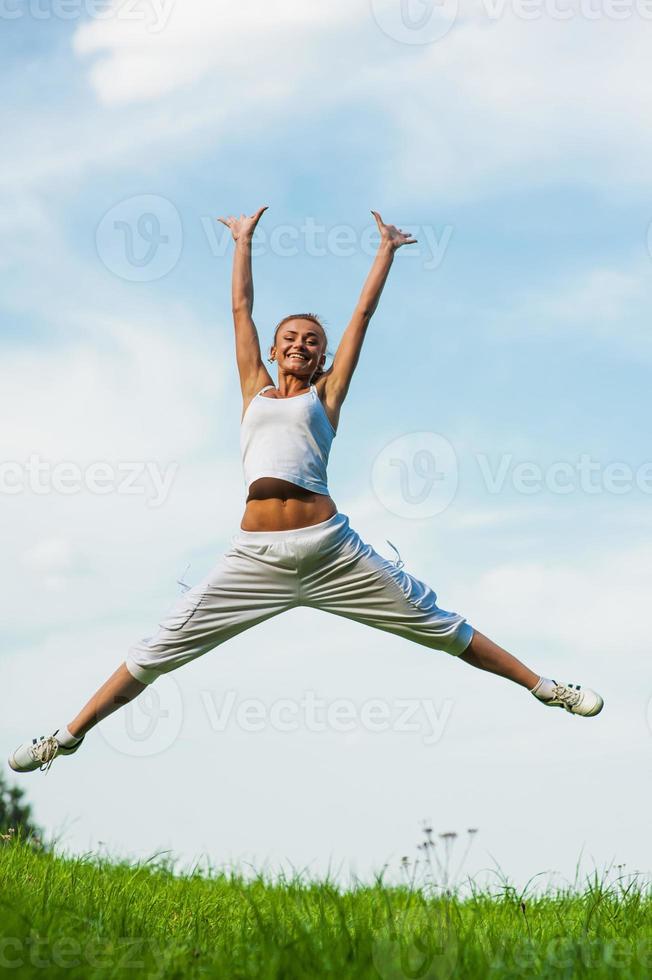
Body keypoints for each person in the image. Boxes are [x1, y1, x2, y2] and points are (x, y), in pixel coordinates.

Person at [9, 207, 603, 774]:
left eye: (312, 340)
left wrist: (386, 252)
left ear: (321, 357)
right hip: (254, 560)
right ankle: (66, 737)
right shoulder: (255, 390)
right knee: (157, 649)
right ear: (272, 349)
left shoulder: (326, 398)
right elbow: (241, 309)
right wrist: (242, 240)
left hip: (329, 552)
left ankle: (546, 688)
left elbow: (362, 317)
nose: (301, 343)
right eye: (290, 337)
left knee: (439, 625)